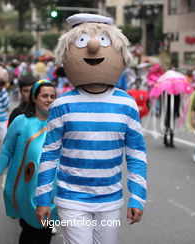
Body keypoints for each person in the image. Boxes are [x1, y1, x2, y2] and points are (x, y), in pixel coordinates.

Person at [35, 14, 147, 244]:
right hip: (71, 199)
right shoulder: (62, 104)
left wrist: (137, 197)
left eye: (104, 42)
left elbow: (136, 154)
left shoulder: (127, 104)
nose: (94, 46)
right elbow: (49, 153)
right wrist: (43, 198)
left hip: (111, 200)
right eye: (83, 43)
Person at [0, 79, 57, 244]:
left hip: (50, 187)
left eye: (52, 96)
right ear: (34, 98)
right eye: (45, 96)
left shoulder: (58, 123)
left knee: (46, 231)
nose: (49, 99)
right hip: (25, 186)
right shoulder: (21, 121)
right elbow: (7, 151)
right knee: (30, 231)